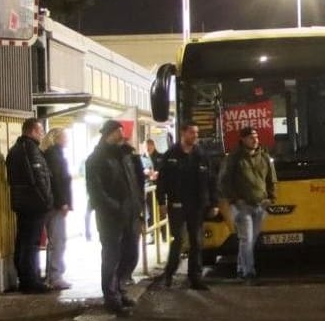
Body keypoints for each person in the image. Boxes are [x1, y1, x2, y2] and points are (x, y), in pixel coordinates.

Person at [85, 120, 144, 317]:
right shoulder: (96, 159)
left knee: (131, 255)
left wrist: (138, 210)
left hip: (131, 216)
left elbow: (135, 184)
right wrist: (116, 208)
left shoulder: (126, 155)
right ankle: (111, 297)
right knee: (112, 257)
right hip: (111, 218)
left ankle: (119, 288)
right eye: (120, 131)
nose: (123, 134)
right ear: (110, 133)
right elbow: (96, 192)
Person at [157, 121, 218, 290]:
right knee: (178, 240)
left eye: (197, 133)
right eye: (192, 132)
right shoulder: (170, 155)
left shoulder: (202, 156)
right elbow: (162, 181)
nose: (195, 136)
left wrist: (214, 203)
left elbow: (211, 181)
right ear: (183, 133)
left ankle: (195, 278)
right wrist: (161, 202)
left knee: (197, 242)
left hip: (197, 205)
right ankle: (169, 273)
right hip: (177, 204)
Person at [218, 126, 276, 284]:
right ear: (243, 139)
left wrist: (271, 198)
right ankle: (249, 272)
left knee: (249, 240)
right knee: (247, 240)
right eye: (251, 137)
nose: (255, 139)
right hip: (242, 207)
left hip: (260, 206)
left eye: (256, 136)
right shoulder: (234, 158)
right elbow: (224, 182)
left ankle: (240, 268)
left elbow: (271, 180)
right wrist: (235, 200)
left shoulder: (264, 157)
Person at [6, 118, 54, 294]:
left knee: (24, 241)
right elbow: (37, 179)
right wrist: (46, 200)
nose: (42, 134)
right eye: (40, 131)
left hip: (23, 203)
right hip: (33, 204)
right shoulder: (30, 150)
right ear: (33, 131)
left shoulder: (16, 150)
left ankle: (26, 277)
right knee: (30, 243)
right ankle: (30, 280)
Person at [40, 127, 73, 290]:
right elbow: (58, 181)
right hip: (55, 204)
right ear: (57, 138)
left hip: (52, 203)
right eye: (65, 136)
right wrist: (63, 202)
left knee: (56, 240)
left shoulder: (51, 154)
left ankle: (53, 274)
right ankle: (55, 276)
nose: (67, 139)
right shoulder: (55, 155)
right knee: (58, 240)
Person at [117, 136, 147, 286]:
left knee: (129, 245)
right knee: (128, 245)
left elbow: (139, 184)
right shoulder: (106, 160)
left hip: (131, 209)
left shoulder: (132, 159)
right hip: (124, 209)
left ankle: (124, 276)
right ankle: (123, 276)